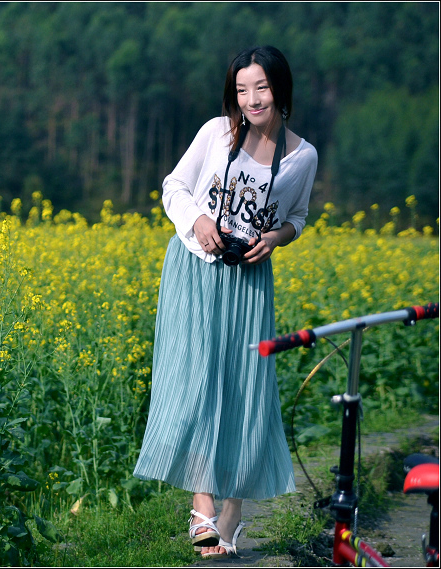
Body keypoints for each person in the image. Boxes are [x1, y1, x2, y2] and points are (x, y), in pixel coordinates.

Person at [132, 45, 318, 560]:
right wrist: (198, 221)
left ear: (280, 89)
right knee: (194, 383)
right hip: (193, 270)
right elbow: (174, 186)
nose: (251, 99)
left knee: (243, 390)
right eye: (241, 89)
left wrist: (277, 238)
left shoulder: (303, 156)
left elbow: (297, 218)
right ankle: (202, 509)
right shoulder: (216, 132)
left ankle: (232, 510)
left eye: (260, 87)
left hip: (249, 283)